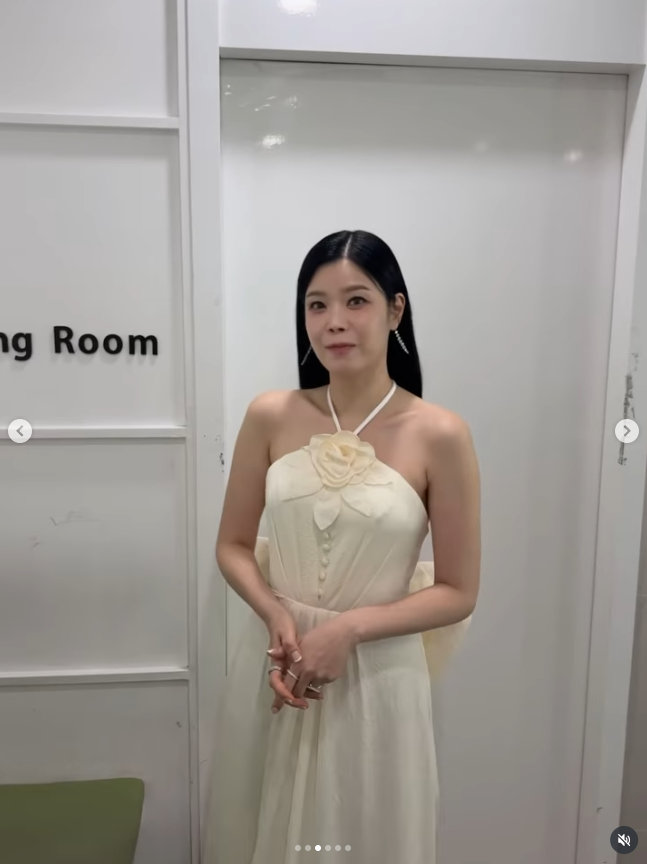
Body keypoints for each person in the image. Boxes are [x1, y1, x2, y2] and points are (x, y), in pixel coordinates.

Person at [202, 229, 481, 864]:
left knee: (362, 836)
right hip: (276, 667)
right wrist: (275, 613)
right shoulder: (271, 415)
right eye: (317, 304)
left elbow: (458, 591)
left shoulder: (440, 434)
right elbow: (233, 545)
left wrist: (348, 629)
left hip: (378, 679)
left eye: (356, 300)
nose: (334, 321)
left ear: (395, 310)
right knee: (261, 827)